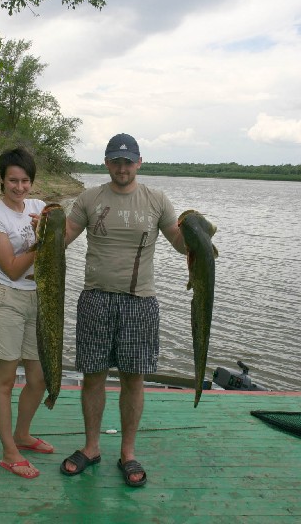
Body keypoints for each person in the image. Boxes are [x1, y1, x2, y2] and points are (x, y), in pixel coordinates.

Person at [60, 133, 187, 487]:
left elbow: (179, 242)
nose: (122, 167)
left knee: (134, 378)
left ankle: (128, 453)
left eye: (128, 161)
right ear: (106, 163)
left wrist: (196, 233)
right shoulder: (89, 198)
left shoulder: (156, 199)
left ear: (139, 163)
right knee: (93, 375)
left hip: (140, 301)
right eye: (116, 161)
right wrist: (39, 229)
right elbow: (64, 236)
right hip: (96, 298)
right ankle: (91, 447)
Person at [0, 147, 53, 480]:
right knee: (4, 382)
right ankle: (9, 452)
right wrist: (42, 242)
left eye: (25, 180)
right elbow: (10, 268)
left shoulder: (38, 208)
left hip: (37, 301)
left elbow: (62, 233)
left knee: (38, 379)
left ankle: (23, 435)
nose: (19, 187)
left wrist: (51, 230)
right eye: (13, 180)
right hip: (6, 300)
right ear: (2, 180)